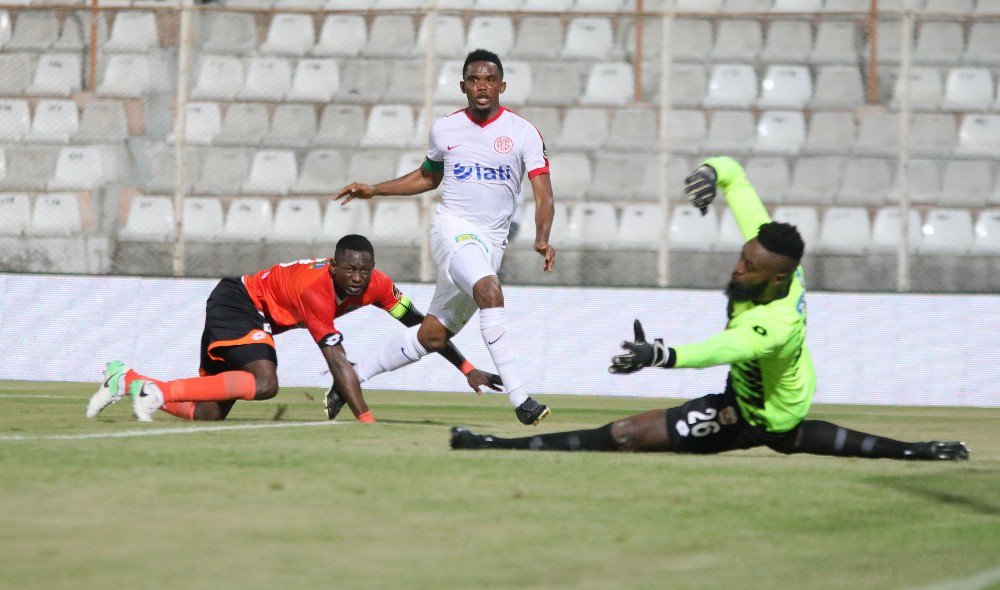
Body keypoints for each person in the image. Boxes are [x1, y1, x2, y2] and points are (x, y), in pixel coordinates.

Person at [450, 157, 970, 461]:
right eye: (742, 258)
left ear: (779, 279)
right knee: (627, 433)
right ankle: (497, 446)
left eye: (748, 267)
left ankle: (913, 451)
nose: (737, 270)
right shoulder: (772, 254)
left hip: (755, 414)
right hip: (743, 395)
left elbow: (727, 346)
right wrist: (709, 172)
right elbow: (737, 178)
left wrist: (661, 354)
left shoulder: (777, 323)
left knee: (788, 434)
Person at [335, 49, 557, 426]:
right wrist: (376, 189)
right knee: (490, 290)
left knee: (433, 336)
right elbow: (428, 176)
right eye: (473, 79)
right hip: (451, 230)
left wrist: (541, 237)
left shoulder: (523, 133)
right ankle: (521, 399)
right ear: (463, 86)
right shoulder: (446, 128)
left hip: (491, 242)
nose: (481, 86)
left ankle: (352, 377)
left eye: (489, 79)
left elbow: (543, 193)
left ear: (501, 85)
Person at [86, 234, 501, 423]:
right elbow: (337, 360)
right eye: (350, 269)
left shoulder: (379, 286)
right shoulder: (316, 291)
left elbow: (423, 327)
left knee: (208, 414)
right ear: (334, 266)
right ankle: (161, 393)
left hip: (252, 317)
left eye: (365, 271)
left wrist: (468, 369)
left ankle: (129, 380)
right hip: (238, 303)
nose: (358, 278)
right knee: (265, 382)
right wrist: (367, 420)